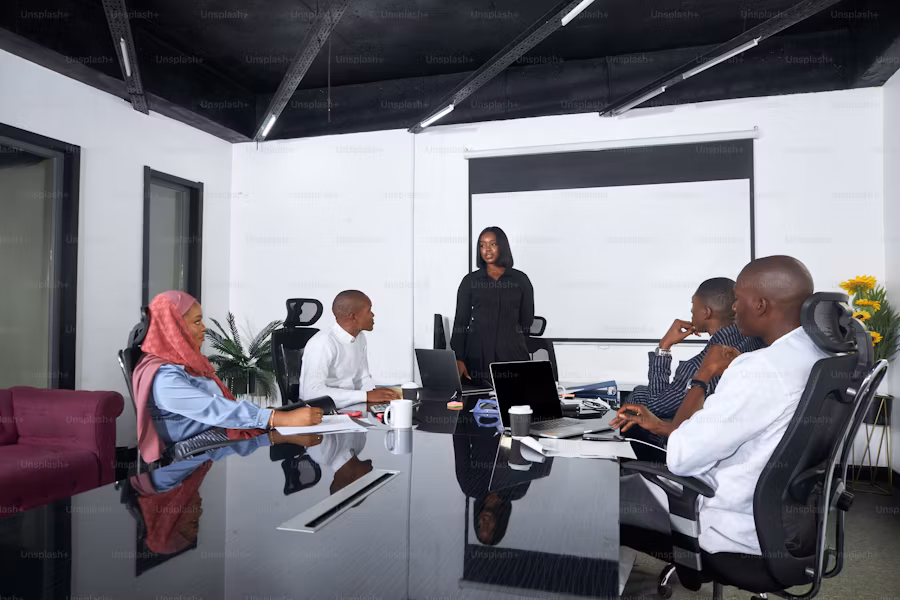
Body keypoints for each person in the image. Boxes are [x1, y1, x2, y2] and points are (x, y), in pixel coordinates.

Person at [611, 256, 827, 555]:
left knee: (595, 497)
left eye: (739, 299)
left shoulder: (757, 368)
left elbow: (683, 459)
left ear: (760, 305)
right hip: (786, 520)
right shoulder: (816, 355)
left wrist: (702, 378)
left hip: (727, 522)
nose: (734, 308)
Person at [133, 291, 323, 464]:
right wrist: (277, 418)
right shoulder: (163, 378)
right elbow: (212, 408)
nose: (204, 328)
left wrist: (267, 416)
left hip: (214, 437)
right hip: (193, 453)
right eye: (197, 322)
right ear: (174, 328)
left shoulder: (185, 365)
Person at [629, 277, 766, 420]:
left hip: (704, 429)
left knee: (638, 396)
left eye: (693, 304)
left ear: (706, 312)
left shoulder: (698, 367)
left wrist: (664, 347)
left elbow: (656, 406)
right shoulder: (756, 338)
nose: (691, 310)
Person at [451, 226, 535, 385]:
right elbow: (460, 322)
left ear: (502, 246)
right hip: (477, 356)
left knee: (514, 396)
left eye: (493, 244)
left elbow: (527, 320)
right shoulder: (470, 281)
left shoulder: (520, 280)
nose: (487, 249)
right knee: (478, 397)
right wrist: (459, 358)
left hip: (512, 356)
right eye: (482, 245)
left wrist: (509, 337)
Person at [299, 290, 399, 408]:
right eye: (369, 310)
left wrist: (378, 395)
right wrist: (366, 396)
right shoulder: (323, 342)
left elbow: (362, 378)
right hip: (322, 411)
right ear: (353, 316)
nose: (373, 315)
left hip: (349, 406)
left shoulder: (360, 338)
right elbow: (312, 393)